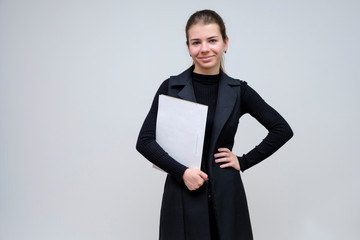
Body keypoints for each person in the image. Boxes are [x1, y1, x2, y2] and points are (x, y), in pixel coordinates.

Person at [136, 9, 293, 240]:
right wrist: (182, 172)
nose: (204, 49)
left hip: (227, 193)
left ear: (225, 42)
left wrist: (243, 161)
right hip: (182, 191)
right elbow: (145, 141)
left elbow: (282, 129)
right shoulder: (170, 87)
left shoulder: (239, 91)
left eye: (212, 40)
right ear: (188, 47)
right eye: (196, 42)